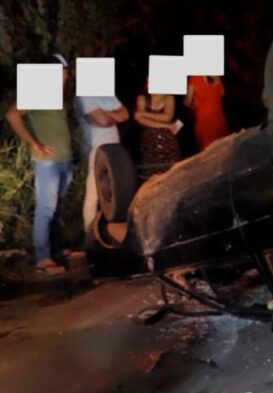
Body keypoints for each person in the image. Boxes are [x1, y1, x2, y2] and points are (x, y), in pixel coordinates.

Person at [4, 53, 77, 275]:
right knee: (46, 210)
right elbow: (12, 115)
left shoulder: (55, 95)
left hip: (63, 160)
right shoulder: (36, 92)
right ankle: (43, 259)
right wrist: (34, 143)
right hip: (47, 163)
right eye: (63, 72)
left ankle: (56, 250)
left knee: (56, 209)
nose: (66, 76)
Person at [77, 95, 129, 231]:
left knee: (112, 196)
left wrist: (106, 114)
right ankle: (89, 233)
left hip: (113, 150)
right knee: (93, 195)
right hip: (96, 151)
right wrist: (114, 114)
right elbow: (103, 121)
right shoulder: (84, 96)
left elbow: (125, 114)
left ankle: (104, 232)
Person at [134, 84, 181, 178]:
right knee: (151, 174)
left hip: (167, 142)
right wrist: (166, 126)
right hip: (150, 142)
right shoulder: (142, 98)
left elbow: (167, 117)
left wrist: (144, 113)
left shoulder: (168, 98)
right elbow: (140, 120)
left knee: (171, 172)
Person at [184, 76, 230, 151]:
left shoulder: (194, 78)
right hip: (219, 121)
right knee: (225, 150)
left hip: (204, 124)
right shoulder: (217, 77)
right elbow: (221, 94)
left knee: (210, 154)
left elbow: (187, 102)